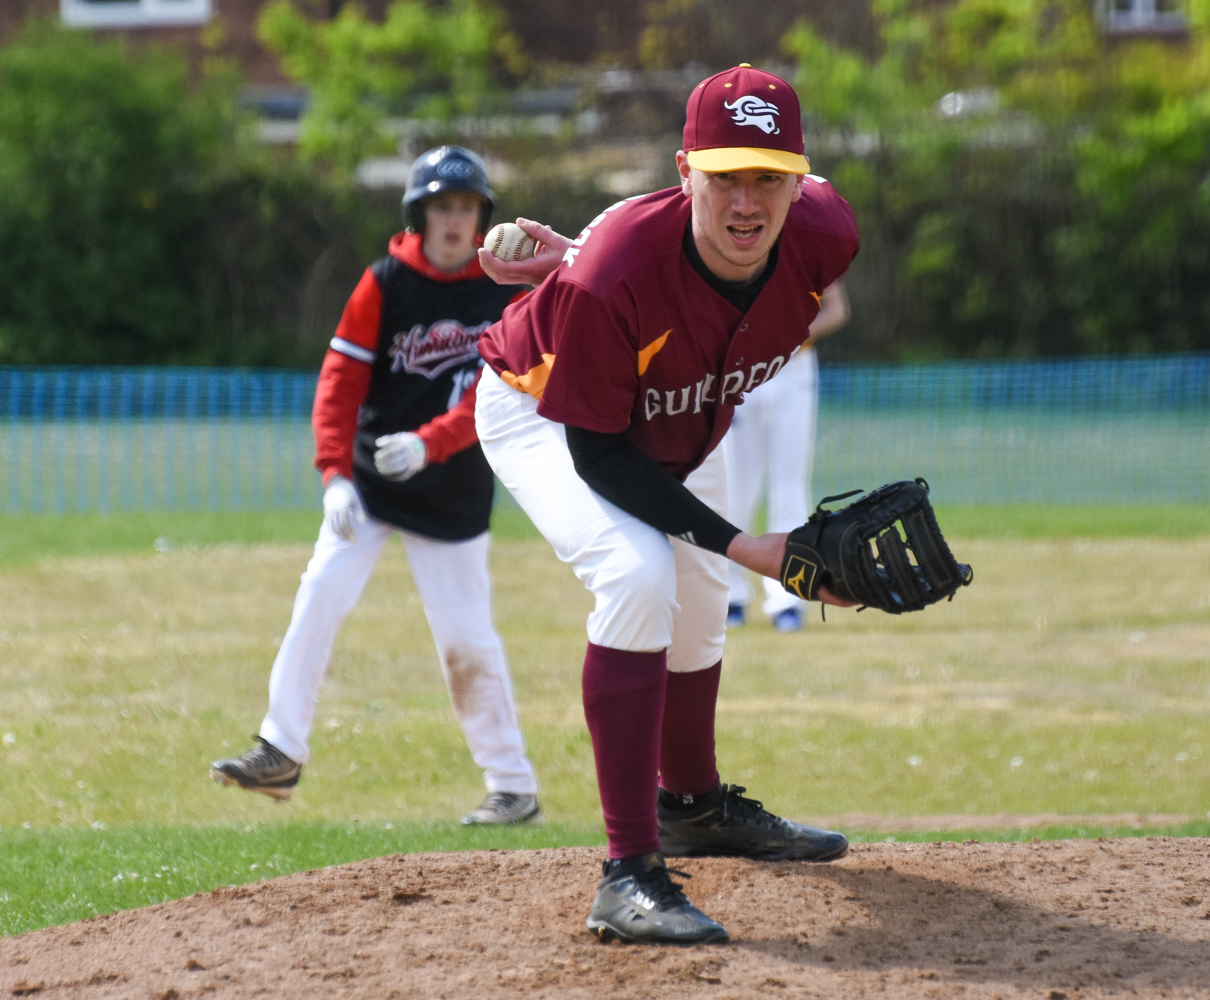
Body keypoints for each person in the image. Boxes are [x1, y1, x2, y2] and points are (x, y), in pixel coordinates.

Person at [473, 66, 860, 942]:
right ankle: (628, 874)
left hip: (683, 404)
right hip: (547, 409)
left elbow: (683, 282)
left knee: (699, 602)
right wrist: (752, 547)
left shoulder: (826, 231)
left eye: (768, 176)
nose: (747, 201)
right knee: (638, 573)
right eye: (724, 176)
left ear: (801, 182)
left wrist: (579, 254)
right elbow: (602, 453)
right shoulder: (610, 278)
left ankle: (693, 806)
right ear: (685, 172)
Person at [210, 146, 541, 827]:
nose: (455, 219)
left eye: (467, 206)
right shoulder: (385, 281)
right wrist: (334, 475)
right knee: (320, 593)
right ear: (419, 214)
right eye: (442, 206)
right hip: (372, 482)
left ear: (482, 216)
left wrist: (430, 443)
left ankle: (513, 787)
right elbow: (339, 383)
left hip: (452, 488)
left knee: (466, 639)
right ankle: (280, 749)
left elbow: (496, 394)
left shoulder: (503, 288)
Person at [723, 278, 850, 632]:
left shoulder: (809, 249)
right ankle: (731, 595)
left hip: (794, 369)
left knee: (789, 487)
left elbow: (837, 309)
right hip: (741, 368)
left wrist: (788, 337)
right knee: (736, 488)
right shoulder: (732, 246)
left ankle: (788, 599)